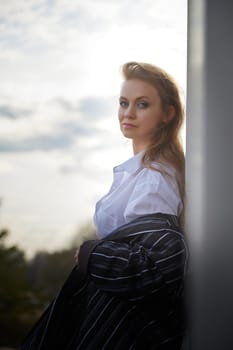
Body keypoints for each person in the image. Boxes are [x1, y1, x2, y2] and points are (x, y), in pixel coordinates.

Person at [21, 62, 188, 350]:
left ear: (167, 114)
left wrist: (91, 254)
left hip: (123, 324)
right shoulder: (142, 172)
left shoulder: (153, 179)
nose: (128, 113)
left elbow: (151, 265)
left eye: (143, 104)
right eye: (124, 103)